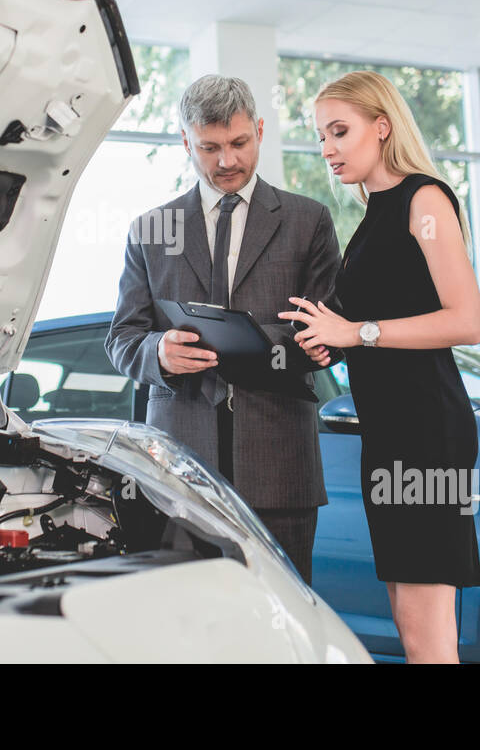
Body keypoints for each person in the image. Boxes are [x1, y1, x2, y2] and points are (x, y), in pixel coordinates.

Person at [278, 70, 480, 664]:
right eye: (320, 137)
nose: (328, 149)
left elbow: (466, 321)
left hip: (426, 432)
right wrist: (330, 342)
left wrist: (357, 333)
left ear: (382, 125)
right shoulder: (371, 218)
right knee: (407, 613)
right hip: (388, 432)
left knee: (426, 632)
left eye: (340, 131)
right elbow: (384, 320)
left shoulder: (424, 198)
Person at [105, 74, 341, 583]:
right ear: (185, 141)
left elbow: (330, 333)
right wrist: (158, 353)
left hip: (279, 463)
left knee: (286, 619)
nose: (227, 161)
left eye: (239, 143)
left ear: (259, 130)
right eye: (209, 148)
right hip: (177, 470)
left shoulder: (309, 222)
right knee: (188, 622)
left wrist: (263, 346)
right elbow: (122, 339)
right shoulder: (151, 230)